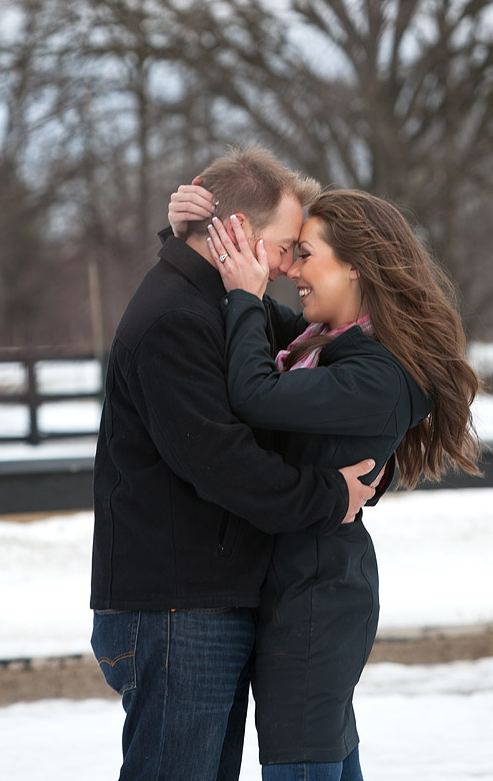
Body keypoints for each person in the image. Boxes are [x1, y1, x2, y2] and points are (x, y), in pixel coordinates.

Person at [169, 178, 481, 780]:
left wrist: (241, 297)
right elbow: (252, 304)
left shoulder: (380, 373)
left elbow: (254, 388)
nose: (293, 271)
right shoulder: (326, 344)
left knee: (303, 764)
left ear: (358, 268)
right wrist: (188, 230)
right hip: (296, 590)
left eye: (306, 255)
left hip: (316, 603)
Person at [90, 147, 381, 781]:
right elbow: (222, 461)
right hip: (175, 610)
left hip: (197, 603)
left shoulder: (213, 302)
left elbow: (306, 346)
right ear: (239, 235)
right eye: (284, 247)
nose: (284, 267)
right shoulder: (175, 318)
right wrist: (329, 497)